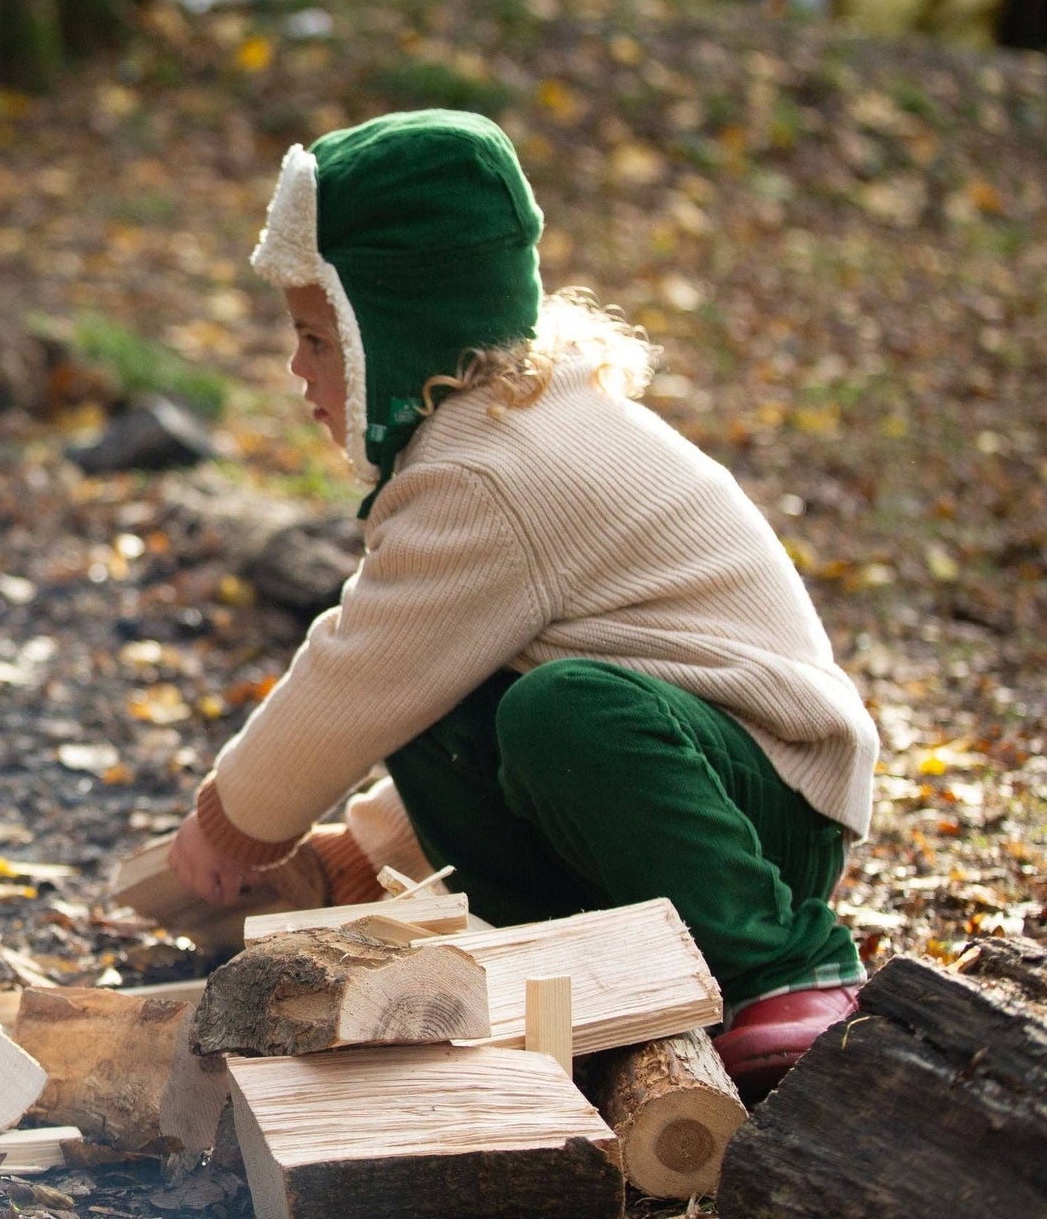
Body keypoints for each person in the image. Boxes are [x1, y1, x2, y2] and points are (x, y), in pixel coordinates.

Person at [167, 108, 878, 1100]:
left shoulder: (493, 466)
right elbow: (417, 682)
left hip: (761, 803)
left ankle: (783, 964)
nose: (297, 374)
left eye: (317, 337)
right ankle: (578, 968)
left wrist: (232, 821)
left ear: (397, 328)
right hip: (678, 781)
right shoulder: (493, 432)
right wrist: (368, 847)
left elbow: (354, 666)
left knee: (560, 710)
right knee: (459, 698)